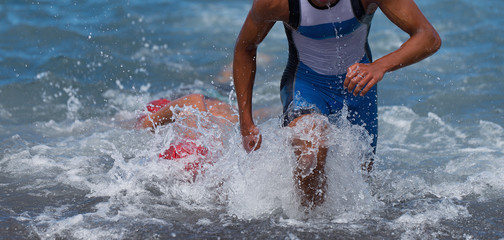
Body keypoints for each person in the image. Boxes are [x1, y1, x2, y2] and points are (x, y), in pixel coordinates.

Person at [232, 0, 441, 208]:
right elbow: (245, 47)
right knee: (310, 146)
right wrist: (246, 122)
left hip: (359, 90)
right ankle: (305, 225)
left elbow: (428, 37)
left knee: (358, 189)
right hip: (306, 86)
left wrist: (380, 66)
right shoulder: (275, 3)